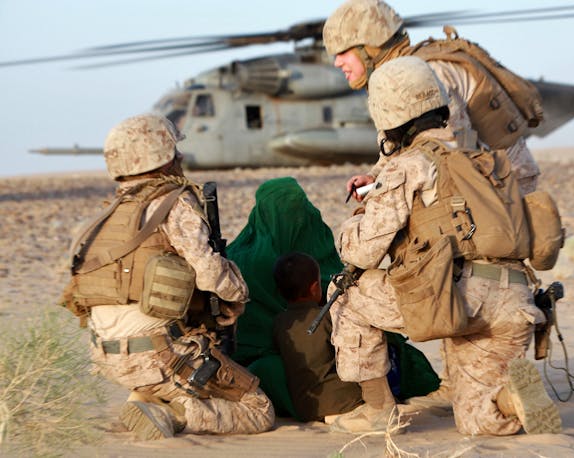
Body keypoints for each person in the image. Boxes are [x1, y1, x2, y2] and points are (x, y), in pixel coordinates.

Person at [326, 56, 561, 436]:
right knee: (479, 423)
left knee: (345, 294)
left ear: (388, 116)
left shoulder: (407, 166)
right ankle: (508, 398)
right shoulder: (483, 158)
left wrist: (355, 219)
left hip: (456, 299)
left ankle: (379, 412)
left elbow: (362, 252)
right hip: (515, 299)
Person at [59, 114, 274, 440]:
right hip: (158, 355)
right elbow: (210, 274)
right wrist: (239, 295)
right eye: (173, 150)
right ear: (159, 157)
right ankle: (172, 412)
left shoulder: (109, 213)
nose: (181, 157)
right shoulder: (174, 203)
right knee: (258, 411)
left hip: (104, 356)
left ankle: (145, 396)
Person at [226, 177, 440, 419]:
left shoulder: (243, 255)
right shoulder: (253, 259)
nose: (293, 220)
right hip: (287, 361)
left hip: (311, 363)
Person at [323, 0, 542, 201]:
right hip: (477, 176)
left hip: (506, 181)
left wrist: (392, 182)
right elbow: (397, 146)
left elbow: (453, 147)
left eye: (343, 53)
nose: (337, 63)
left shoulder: (427, 75)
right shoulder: (396, 78)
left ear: (370, 48)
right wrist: (374, 177)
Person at [271, 252, 363, 422]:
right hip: (343, 400)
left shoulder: (279, 323)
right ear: (315, 288)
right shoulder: (328, 317)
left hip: (305, 408)